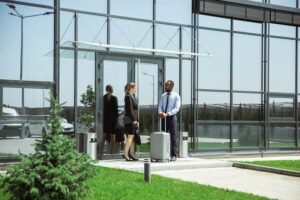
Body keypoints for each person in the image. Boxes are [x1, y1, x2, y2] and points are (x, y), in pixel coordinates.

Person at [158, 80, 181, 161]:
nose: (165, 87)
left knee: (173, 137)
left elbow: (177, 108)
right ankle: (164, 154)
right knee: (163, 137)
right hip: (164, 118)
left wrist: (167, 114)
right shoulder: (163, 95)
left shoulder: (176, 96)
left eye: (166, 85)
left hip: (172, 118)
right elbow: (160, 105)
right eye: (165, 85)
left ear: (171, 86)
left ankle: (174, 155)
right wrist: (160, 112)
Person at [123, 82, 139, 161]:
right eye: (135, 88)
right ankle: (125, 154)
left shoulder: (131, 97)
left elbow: (134, 110)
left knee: (133, 138)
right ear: (131, 88)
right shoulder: (128, 97)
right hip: (131, 121)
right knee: (130, 137)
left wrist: (137, 120)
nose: (136, 89)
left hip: (132, 120)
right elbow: (130, 110)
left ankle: (132, 154)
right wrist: (134, 120)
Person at [103, 84, 118, 154]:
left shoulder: (104, 97)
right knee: (112, 135)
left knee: (106, 135)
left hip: (108, 120)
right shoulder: (113, 98)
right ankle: (111, 151)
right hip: (111, 120)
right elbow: (116, 110)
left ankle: (103, 150)